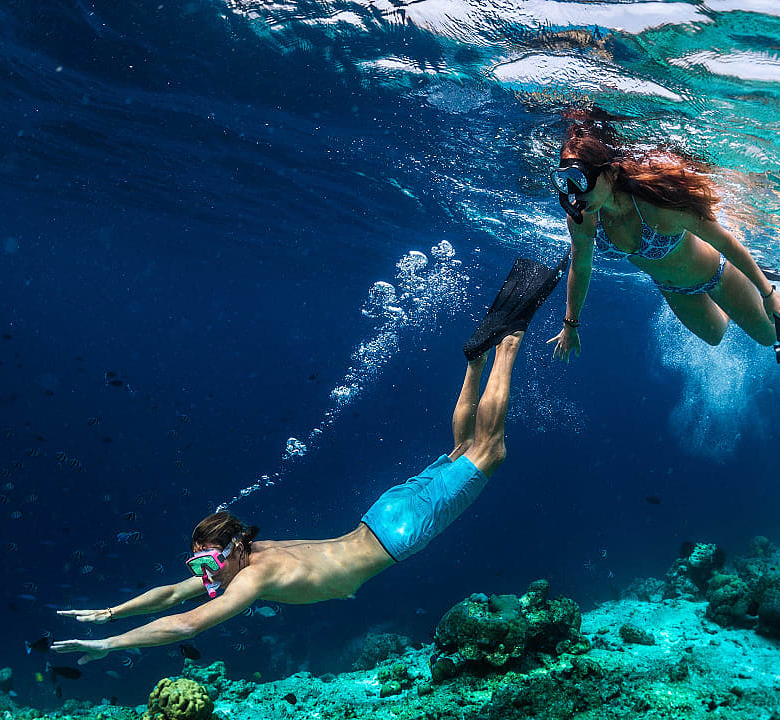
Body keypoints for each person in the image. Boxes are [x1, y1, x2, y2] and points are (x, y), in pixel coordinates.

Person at [50, 257, 565, 665]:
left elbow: (186, 623)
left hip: (398, 531)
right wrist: (111, 612)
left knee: (486, 451)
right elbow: (170, 595)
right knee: (457, 452)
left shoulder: (252, 577)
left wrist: (108, 645)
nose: (202, 571)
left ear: (231, 550)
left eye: (207, 560)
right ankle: (474, 362)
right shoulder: (247, 555)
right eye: (198, 561)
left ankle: (508, 342)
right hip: (382, 515)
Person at [546, 113, 780, 361]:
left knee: (767, 334)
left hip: (715, 273)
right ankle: (751, 285)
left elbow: (726, 242)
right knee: (715, 334)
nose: (575, 193)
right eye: (565, 181)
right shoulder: (585, 218)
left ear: (611, 172)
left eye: (581, 180)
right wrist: (570, 324)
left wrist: (767, 292)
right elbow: (581, 268)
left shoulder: (657, 206)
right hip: (673, 288)